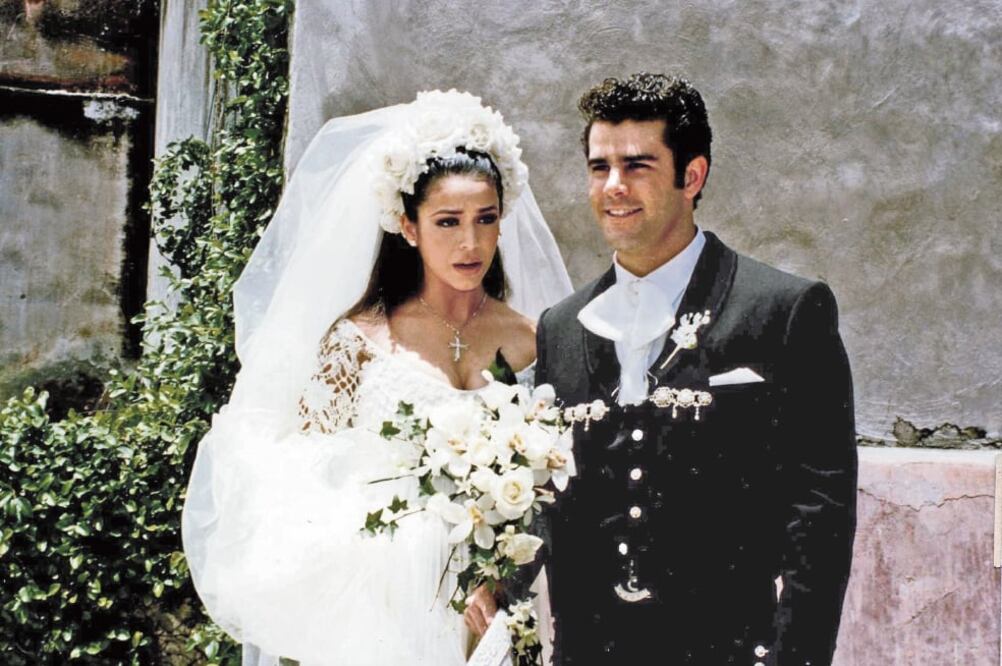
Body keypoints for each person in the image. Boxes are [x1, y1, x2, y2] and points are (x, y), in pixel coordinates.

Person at [470, 73, 857, 665]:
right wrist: (502, 579)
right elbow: (555, 501)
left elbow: (820, 515)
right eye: (599, 167)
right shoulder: (561, 328)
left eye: (637, 165)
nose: (614, 186)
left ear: (692, 176)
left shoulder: (784, 311)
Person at [181, 90, 572, 665]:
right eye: (447, 222)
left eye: (485, 219)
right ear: (408, 227)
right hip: (389, 603)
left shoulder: (537, 339)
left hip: (507, 600)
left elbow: (561, 478)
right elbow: (299, 478)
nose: (470, 243)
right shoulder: (358, 342)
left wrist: (502, 571)